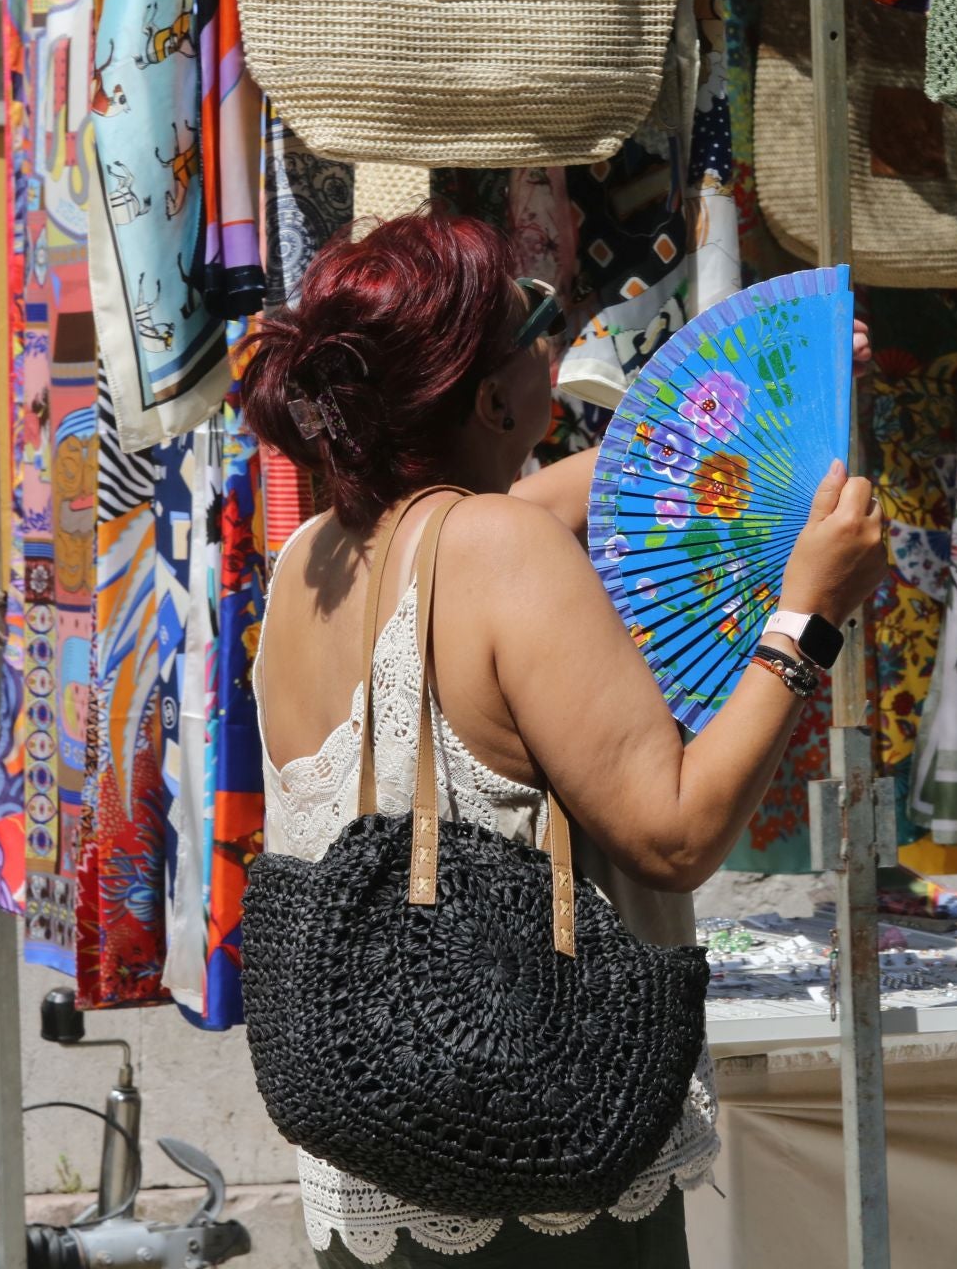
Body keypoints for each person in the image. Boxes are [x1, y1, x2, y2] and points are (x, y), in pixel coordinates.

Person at [241, 206, 886, 1268]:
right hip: (532, 1173)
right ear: (494, 398)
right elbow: (675, 834)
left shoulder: (315, 554)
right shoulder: (505, 549)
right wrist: (806, 620)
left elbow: (561, 494)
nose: (557, 342)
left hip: (379, 1158)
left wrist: (753, 411)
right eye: (539, 325)